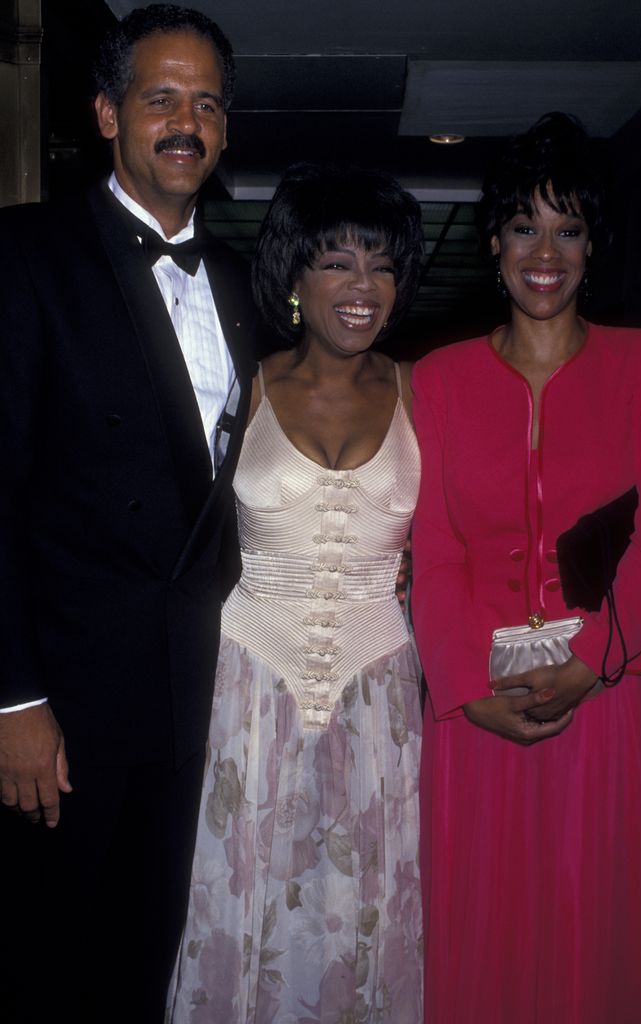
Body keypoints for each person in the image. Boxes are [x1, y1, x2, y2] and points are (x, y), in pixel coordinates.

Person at [0, 6, 255, 1022]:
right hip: (60, 710)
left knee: (146, 967)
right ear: (107, 114)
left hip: (196, 706)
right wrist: (12, 698)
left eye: (205, 104)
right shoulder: (24, 254)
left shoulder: (241, 282)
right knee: (41, 965)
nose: (184, 121)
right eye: (160, 99)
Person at [412, 112, 641, 1023]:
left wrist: (592, 658)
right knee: (482, 942)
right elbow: (433, 550)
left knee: (599, 944)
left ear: (593, 243)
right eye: (524, 225)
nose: (545, 251)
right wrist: (460, 687)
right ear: (493, 242)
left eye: (568, 227)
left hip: (611, 696)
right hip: (478, 708)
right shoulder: (437, 380)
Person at [167, 163, 425, 1023]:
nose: (362, 288)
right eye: (337, 262)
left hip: (378, 696)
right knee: (243, 911)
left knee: (362, 920)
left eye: (382, 266)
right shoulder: (241, 383)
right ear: (294, 274)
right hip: (245, 690)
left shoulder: (424, 391)